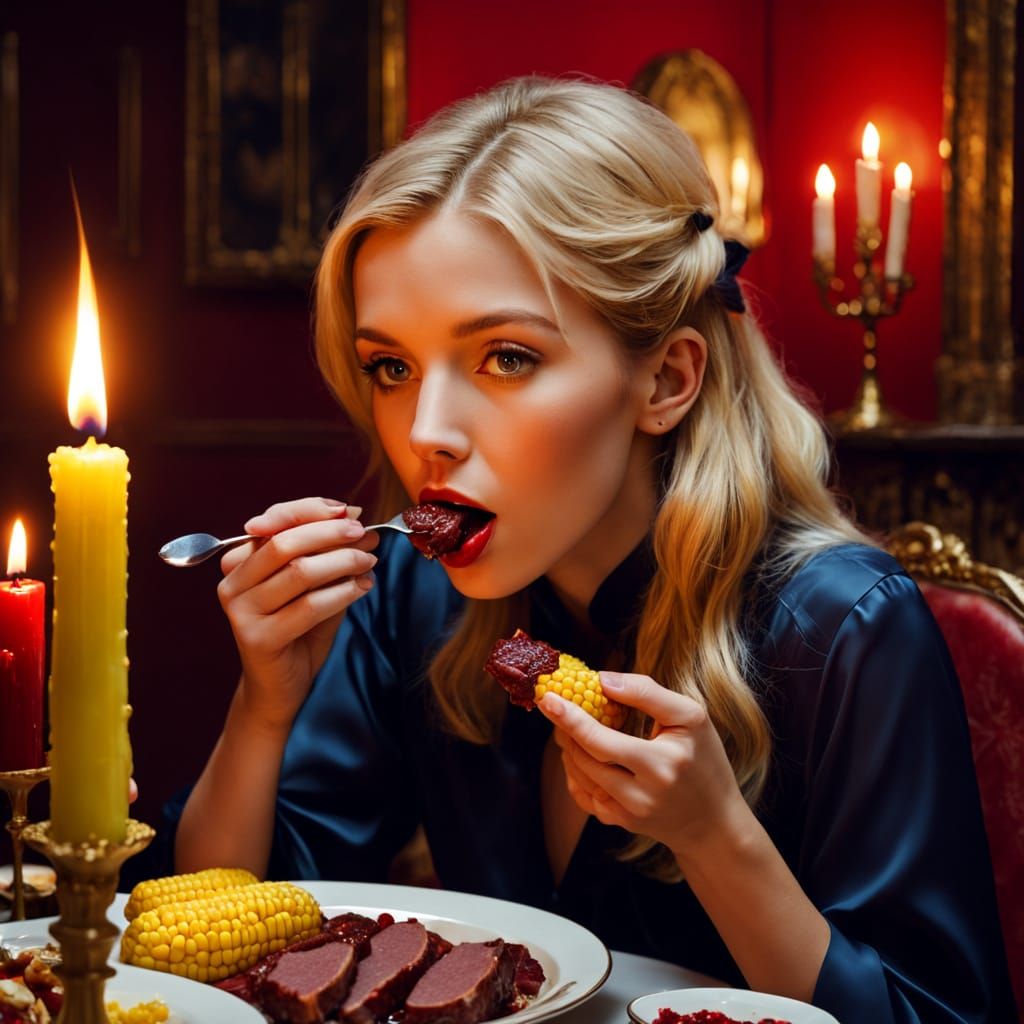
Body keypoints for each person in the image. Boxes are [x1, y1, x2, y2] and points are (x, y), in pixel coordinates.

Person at [170, 77, 1016, 1022]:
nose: (427, 433)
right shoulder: (409, 593)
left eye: (506, 357)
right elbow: (237, 950)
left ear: (666, 379)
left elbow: (937, 1013)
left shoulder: (847, 625)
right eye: (391, 368)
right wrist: (262, 706)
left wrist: (714, 837)